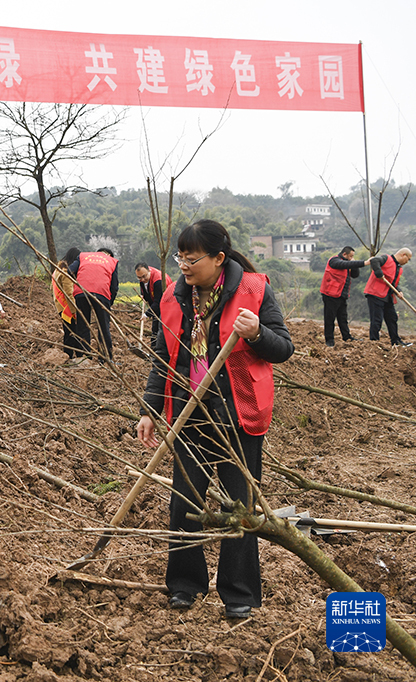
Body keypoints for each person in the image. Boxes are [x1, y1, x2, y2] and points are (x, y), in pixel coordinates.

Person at [135, 219, 294, 620]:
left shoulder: (254, 291)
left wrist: (257, 333)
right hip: (189, 416)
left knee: (239, 506)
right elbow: (163, 359)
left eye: (192, 258)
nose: (184, 266)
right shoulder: (173, 298)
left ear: (219, 258)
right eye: (180, 258)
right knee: (184, 502)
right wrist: (150, 410)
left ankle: (238, 593)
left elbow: (283, 348)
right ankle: (185, 586)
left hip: (237, 417)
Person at [70, 247, 119, 361]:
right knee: (103, 326)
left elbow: (70, 270)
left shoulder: (83, 256)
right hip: (101, 293)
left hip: (81, 291)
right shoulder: (112, 261)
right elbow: (114, 286)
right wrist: (108, 304)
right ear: (109, 255)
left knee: (83, 324)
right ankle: (105, 358)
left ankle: (84, 356)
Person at [320, 247, 370, 347]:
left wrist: (354, 265)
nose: (351, 258)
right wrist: (364, 263)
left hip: (341, 294)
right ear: (344, 254)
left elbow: (355, 275)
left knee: (343, 318)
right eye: (350, 256)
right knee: (330, 318)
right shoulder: (334, 261)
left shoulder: (348, 263)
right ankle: (329, 340)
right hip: (330, 294)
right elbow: (344, 264)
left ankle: (346, 337)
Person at [364, 247, 412, 346]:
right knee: (377, 319)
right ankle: (374, 342)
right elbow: (374, 261)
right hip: (375, 294)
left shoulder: (399, 268)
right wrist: (379, 273)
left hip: (387, 296)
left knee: (392, 318)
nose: (407, 262)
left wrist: (399, 291)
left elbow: (393, 283)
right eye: (408, 259)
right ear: (403, 255)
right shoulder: (386, 259)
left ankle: (396, 341)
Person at [52, 248, 84, 362]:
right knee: (73, 332)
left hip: (60, 305)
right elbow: (69, 293)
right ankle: (74, 356)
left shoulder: (58, 268)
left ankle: (69, 355)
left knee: (69, 331)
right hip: (67, 308)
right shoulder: (66, 272)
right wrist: (75, 311)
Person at [135, 261, 173, 340]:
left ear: (149, 271)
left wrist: (146, 314)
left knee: (160, 330)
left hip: (168, 306)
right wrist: (144, 295)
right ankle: (154, 348)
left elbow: (158, 302)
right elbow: (144, 289)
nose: (142, 279)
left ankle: (157, 349)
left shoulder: (158, 280)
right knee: (155, 330)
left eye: (144, 276)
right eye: (139, 278)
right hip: (157, 306)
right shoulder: (143, 278)